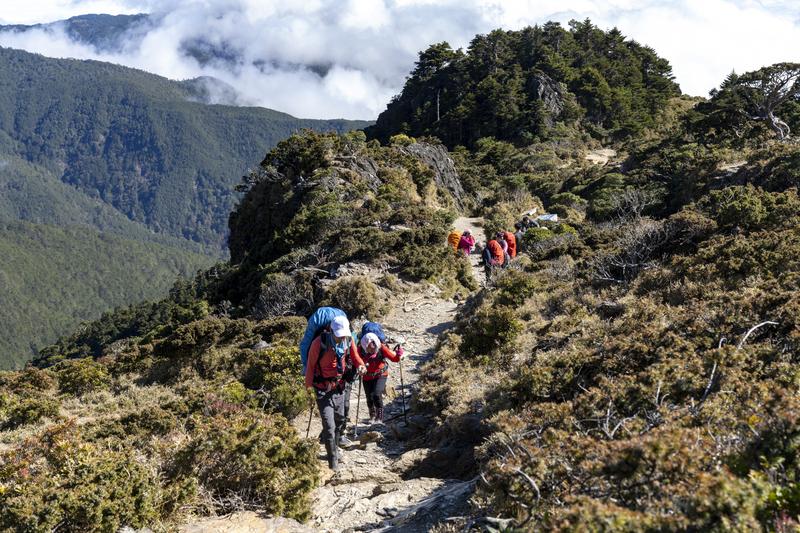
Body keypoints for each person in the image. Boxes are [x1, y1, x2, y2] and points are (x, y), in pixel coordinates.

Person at [305, 315, 366, 471]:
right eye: (338, 335)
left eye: (343, 334)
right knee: (329, 426)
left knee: (340, 420)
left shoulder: (348, 340)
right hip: (322, 389)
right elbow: (310, 367)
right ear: (331, 330)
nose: (340, 338)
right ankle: (333, 462)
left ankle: (335, 450)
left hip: (339, 386)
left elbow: (355, 356)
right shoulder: (319, 343)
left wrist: (360, 365)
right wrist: (308, 389)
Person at [358, 332, 404, 424]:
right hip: (367, 376)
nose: (373, 350)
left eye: (374, 348)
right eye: (370, 349)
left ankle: (379, 417)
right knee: (369, 397)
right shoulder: (360, 350)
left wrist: (399, 354)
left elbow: (394, 359)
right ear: (365, 346)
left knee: (376, 394)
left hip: (380, 375)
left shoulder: (381, 347)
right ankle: (372, 415)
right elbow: (355, 360)